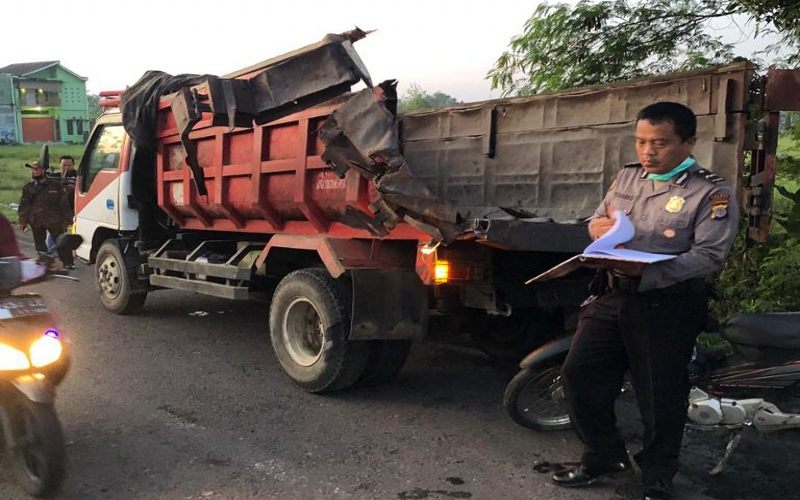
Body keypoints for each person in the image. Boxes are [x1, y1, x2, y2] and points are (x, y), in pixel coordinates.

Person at [551, 102, 739, 500]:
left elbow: (709, 255)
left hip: (667, 305)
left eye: (660, 143)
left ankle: (657, 476)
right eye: (640, 141)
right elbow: (598, 219)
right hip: (613, 294)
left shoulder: (711, 192)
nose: (647, 152)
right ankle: (603, 455)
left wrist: (649, 272)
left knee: (659, 393)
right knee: (579, 375)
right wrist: (596, 227)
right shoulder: (628, 177)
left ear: (689, 143)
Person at [18, 159, 75, 269]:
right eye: (32, 169)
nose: (33, 172)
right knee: (40, 245)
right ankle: (45, 263)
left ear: (43, 170)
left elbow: (63, 204)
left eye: (36, 169)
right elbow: (24, 206)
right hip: (36, 220)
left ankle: (68, 263)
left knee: (61, 242)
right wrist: (23, 221)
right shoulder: (28, 187)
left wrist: (68, 219)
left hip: (54, 220)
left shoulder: (55, 186)